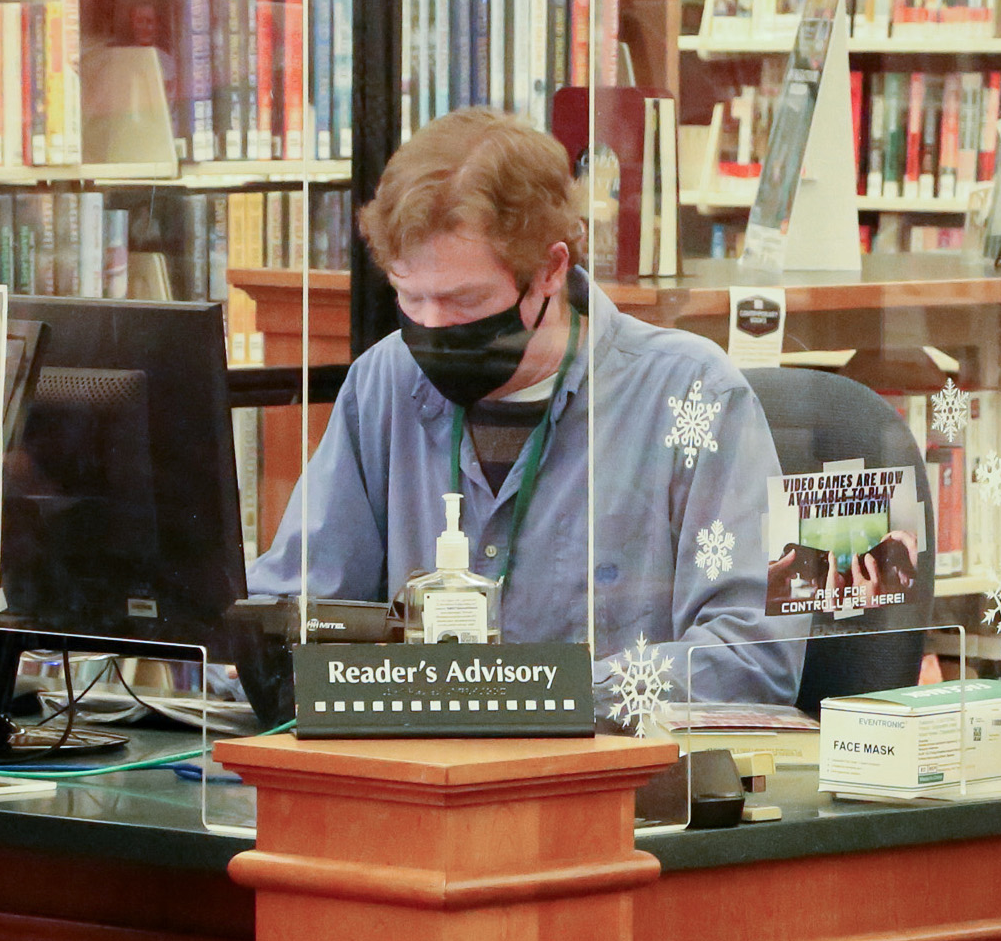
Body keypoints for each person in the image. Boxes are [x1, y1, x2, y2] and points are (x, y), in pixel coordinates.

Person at [252, 106, 796, 715]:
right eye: (409, 295)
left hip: (610, 790)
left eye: (463, 300)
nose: (430, 325)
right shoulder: (384, 382)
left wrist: (525, 697)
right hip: (418, 786)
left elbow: (750, 658)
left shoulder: (693, 395)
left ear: (551, 269)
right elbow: (292, 608)